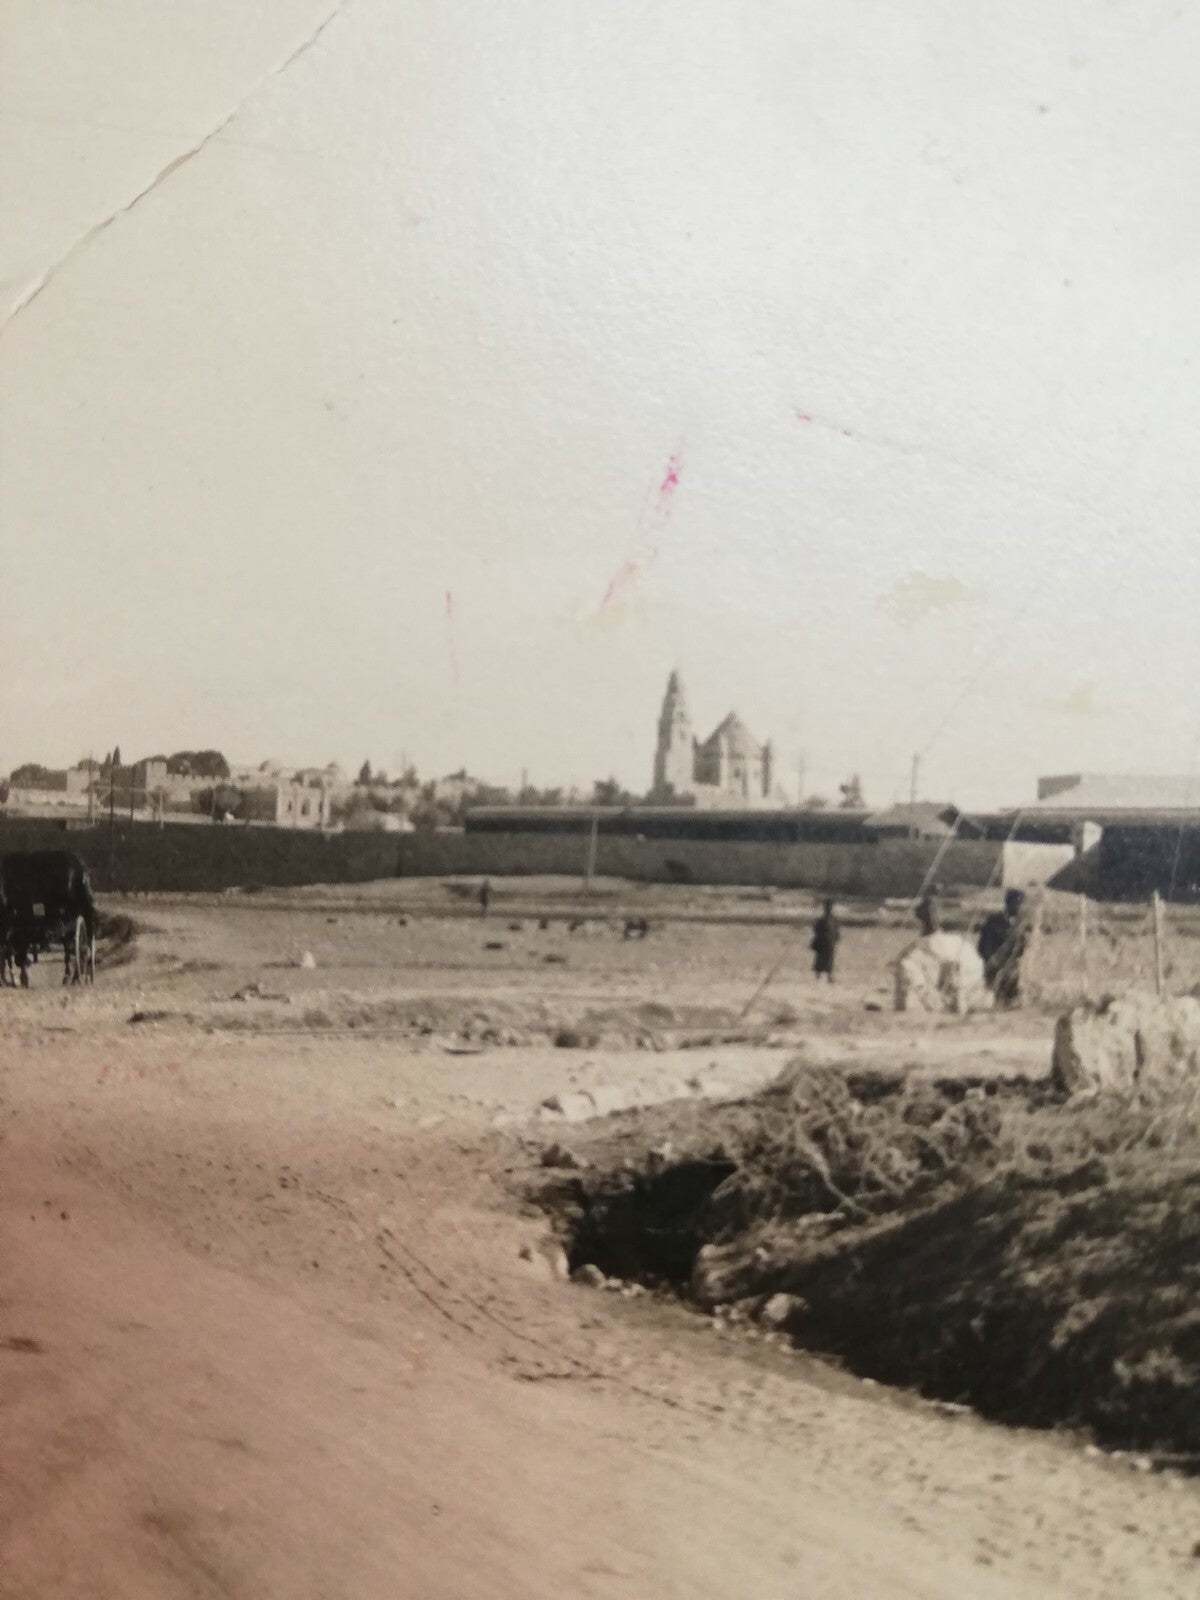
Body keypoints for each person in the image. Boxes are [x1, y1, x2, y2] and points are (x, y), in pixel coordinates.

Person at [810, 898, 840, 982]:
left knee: (829, 959)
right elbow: (816, 930)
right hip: (822, 941)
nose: (829, 909)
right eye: (828, 907)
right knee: (820, 959)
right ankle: (818, 975)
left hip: (830, 942)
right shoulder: (821, 920)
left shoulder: (833, 920)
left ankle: (829, 976)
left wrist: (836, 938)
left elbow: (836, 931)